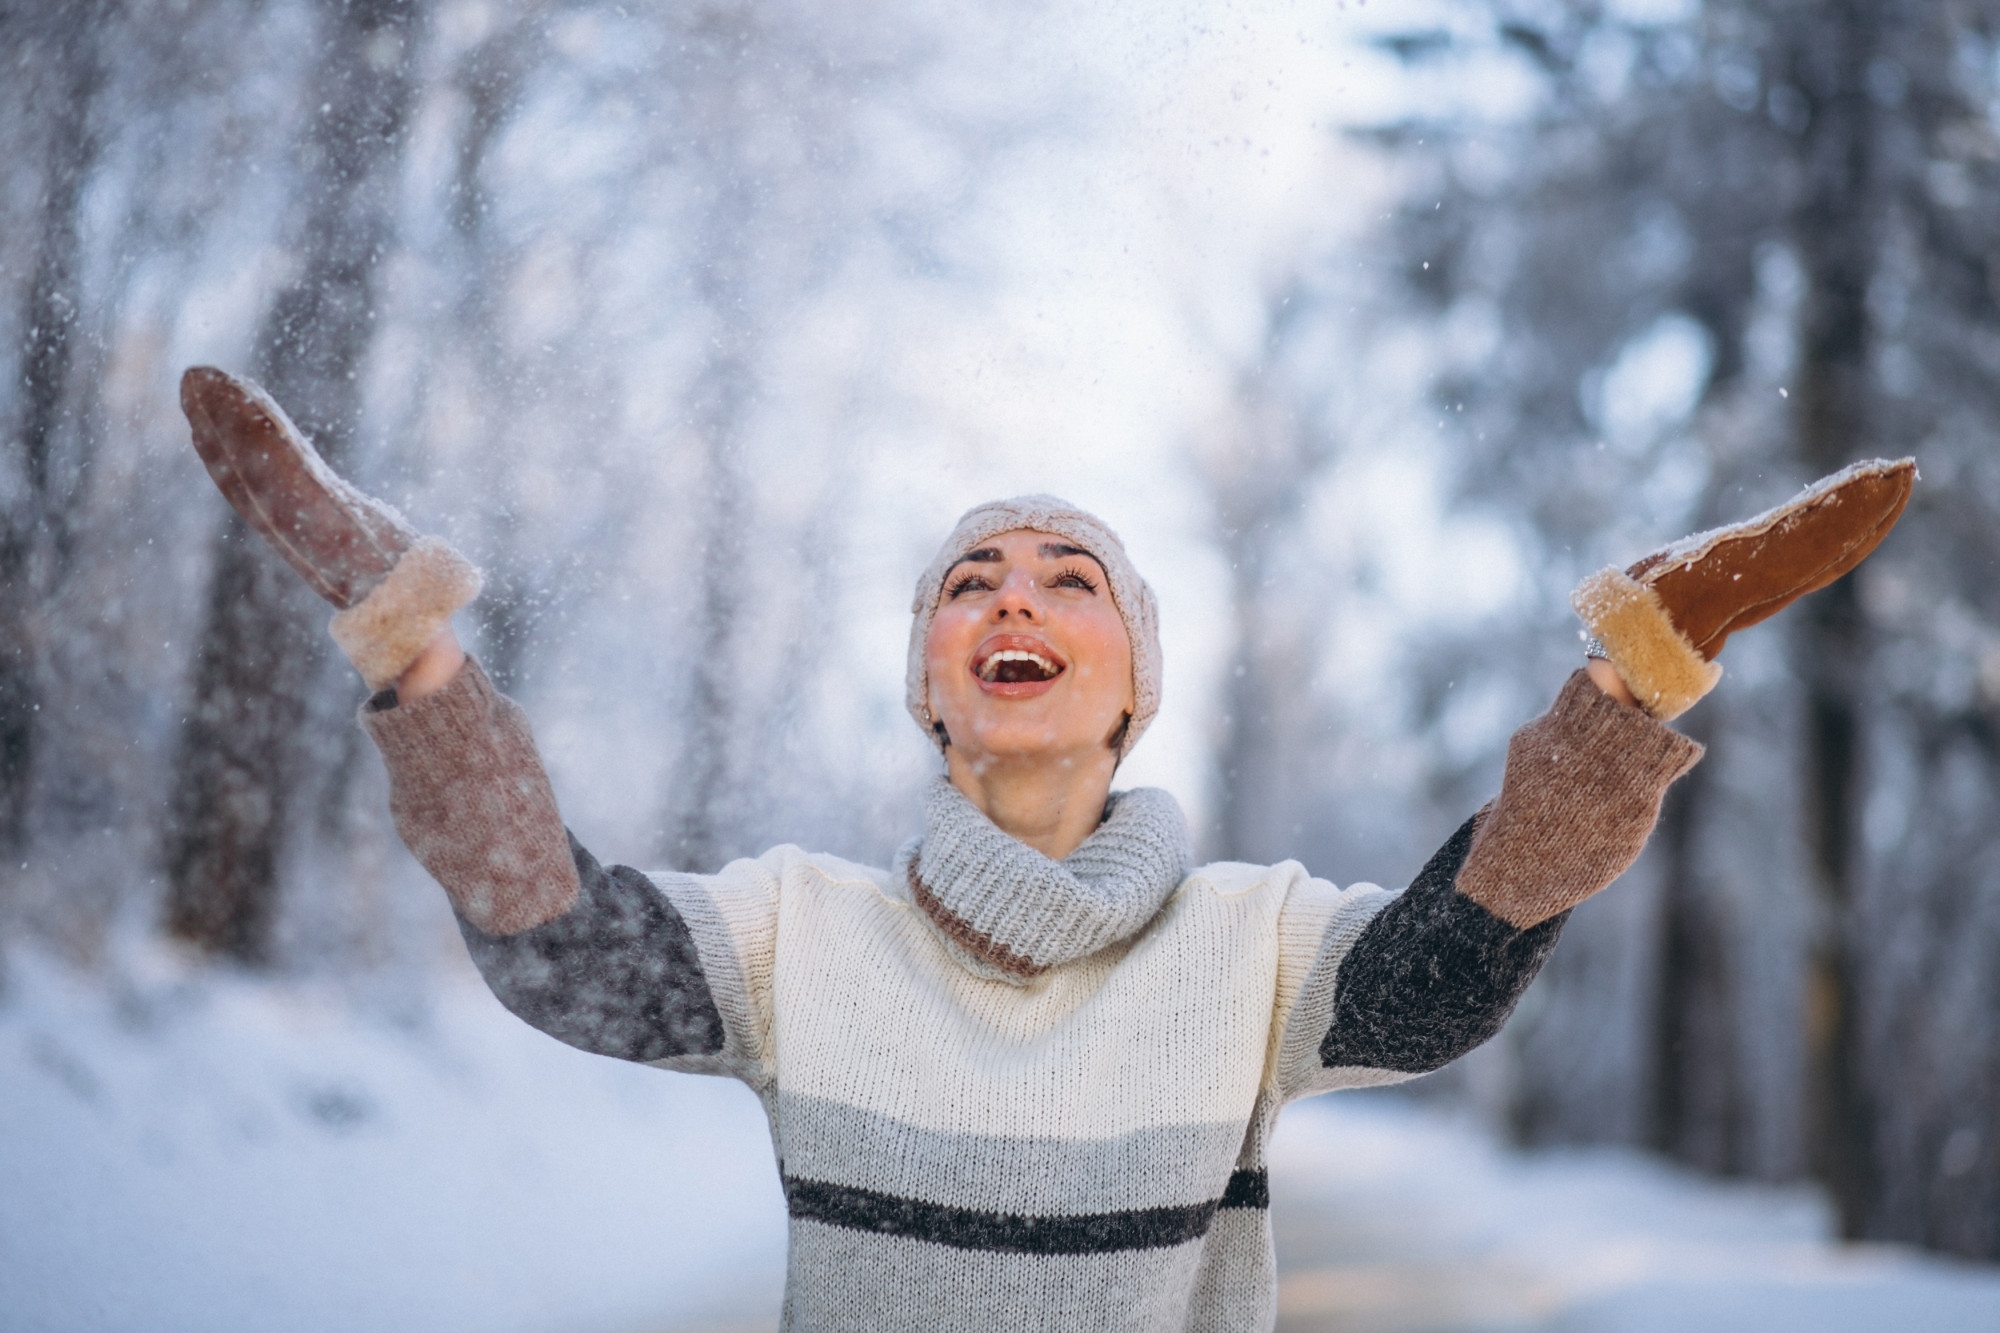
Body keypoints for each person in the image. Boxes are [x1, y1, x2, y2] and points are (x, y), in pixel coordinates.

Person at [179, 366, 1913, 1331]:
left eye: (1070, 580)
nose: (1016, 593)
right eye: (971, 583)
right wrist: (414, 650)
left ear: (1134, 688)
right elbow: (554, 937)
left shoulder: (1254, 942)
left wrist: (1629, 679)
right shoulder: (798, 932)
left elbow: (1454, 964)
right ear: (933, 687)